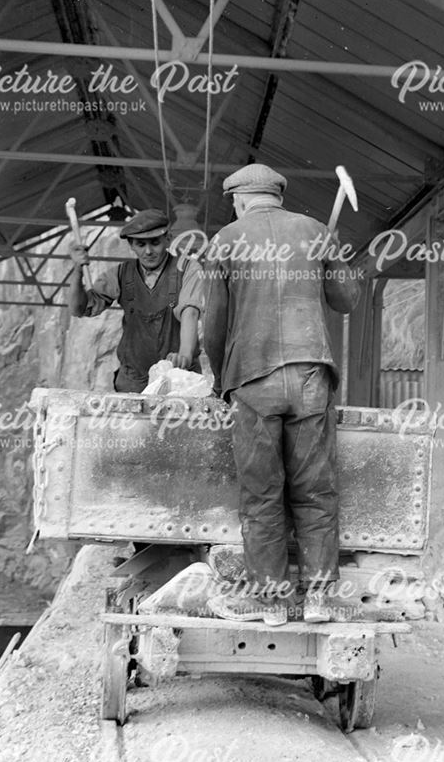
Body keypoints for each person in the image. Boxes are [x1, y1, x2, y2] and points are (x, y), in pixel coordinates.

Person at [203, 164, 360, 626]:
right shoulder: (314, 231)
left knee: (262, 493)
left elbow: (215, 324)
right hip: (311, 376)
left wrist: (219, 380)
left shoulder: (225, 240)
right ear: (276, 195)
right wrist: (329, 255)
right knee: (315, 490)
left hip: (254, 379)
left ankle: (271, 601)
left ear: (240, 199)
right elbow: (346, 299)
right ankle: (319, 599)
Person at [69, 208, 203, 393]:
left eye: (155, 243)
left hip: (179, 379)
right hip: (133, 382)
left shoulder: (188, 268)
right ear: (131, 245)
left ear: (168, 239)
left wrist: (185, 357)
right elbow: (79, 309)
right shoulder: (120, 274)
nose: (148, 251)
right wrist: (77, 270)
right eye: (140, 244)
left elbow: (191, 312)